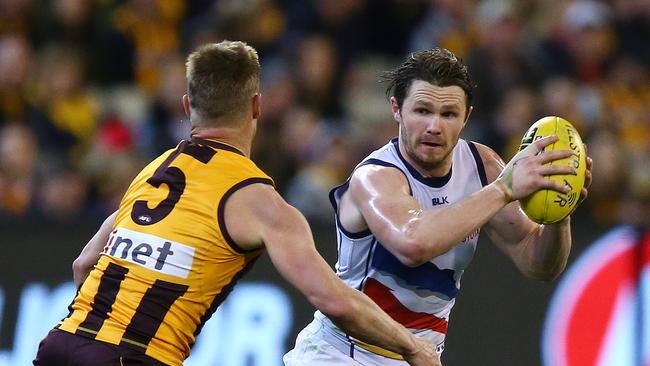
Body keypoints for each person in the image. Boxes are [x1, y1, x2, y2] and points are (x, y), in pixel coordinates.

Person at [32, 41, 440, 366]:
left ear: (188, 107)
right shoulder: (258, 201)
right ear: (256, 106)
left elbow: (84, 263)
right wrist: (410, 345)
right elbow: (333, 299)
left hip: (60, 344)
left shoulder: (152, 170)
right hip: (134, 355)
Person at [284, 47, 593, 365]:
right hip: (342, 354)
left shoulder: (481, 165)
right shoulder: (375, 177)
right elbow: (413, 244)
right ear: (396, 109)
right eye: (422, 111)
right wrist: (503, 189)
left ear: (467, 116)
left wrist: (559, 209)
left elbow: (538, 263)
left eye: (448, 114)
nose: (434, 126)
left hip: (419, 357)